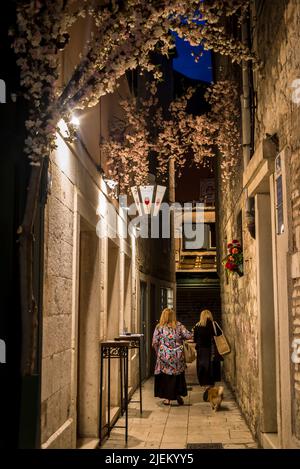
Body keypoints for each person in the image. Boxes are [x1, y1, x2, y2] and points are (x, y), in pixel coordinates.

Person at [152, 308, 192, 405]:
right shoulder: (178, 326)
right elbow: (189, 336)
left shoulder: (159, 327)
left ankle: (168, 399)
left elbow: (154, 342)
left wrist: (158, 353)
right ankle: (177, 394)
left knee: (166, 377)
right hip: (178, 356)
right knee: (178, 376)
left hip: (164, 356)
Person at [193, 309, 218, 390]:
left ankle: (203, 383)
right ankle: (210, 383)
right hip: (210, 349)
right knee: (210, 365)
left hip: (200, 349)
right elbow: (217, 335)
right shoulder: (213, 324)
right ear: (210, 315)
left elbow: (195, 339)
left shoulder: (197, 325)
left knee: (201, 366)